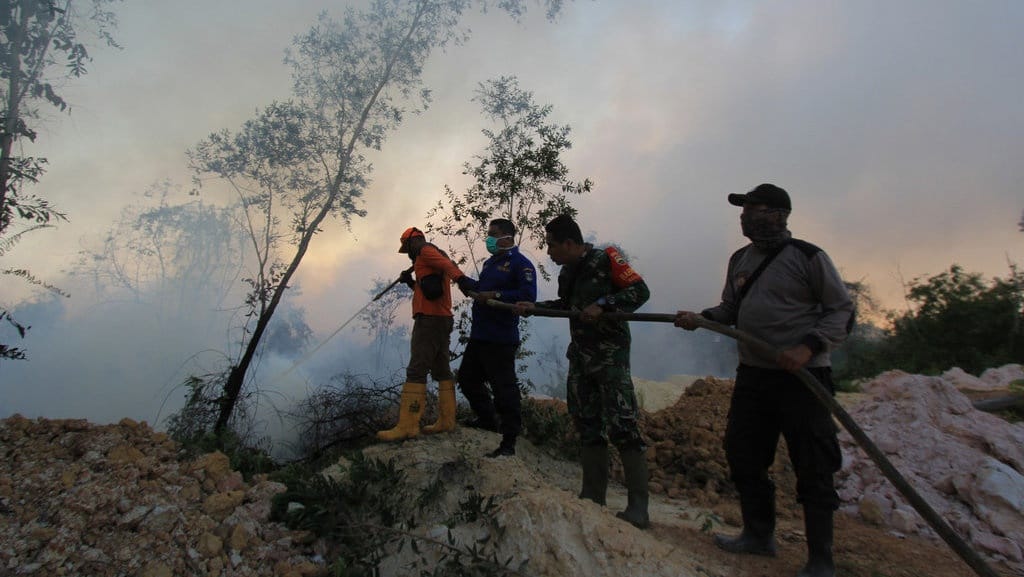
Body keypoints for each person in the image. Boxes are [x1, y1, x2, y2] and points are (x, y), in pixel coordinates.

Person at [674, 183, 854, 577]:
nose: (744, 217)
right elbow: (729, 309)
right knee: (743, 453)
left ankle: (821, 559)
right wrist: (701, 318)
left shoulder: (808, 256)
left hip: (803, 377)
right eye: (743, 210)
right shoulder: (740, 259)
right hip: (754, 375)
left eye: (753, 209)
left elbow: (841, 310)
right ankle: (758, 535)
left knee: (813, 464)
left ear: (778, 214)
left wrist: (807, 347)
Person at [514, 214, 652, 529]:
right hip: (581, 358)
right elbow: (567, 306)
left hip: (610, 358)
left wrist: (604, 304)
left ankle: (638, 509)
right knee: (588, 424)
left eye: (551, 245)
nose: (548, 251)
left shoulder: (607, 259)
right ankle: (592, 498)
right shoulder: (567, 272)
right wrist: (534, 308)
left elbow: (640, 292)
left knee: (623, 426)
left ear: (569, 243)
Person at [377, 226, 476, 442]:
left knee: (416, 370)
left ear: (414, 241)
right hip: (441, 318)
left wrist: (461, 280)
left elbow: (448, 266)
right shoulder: (430, 255)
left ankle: (407, 426)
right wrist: (410, 282)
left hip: (429, 321)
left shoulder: (425, 251)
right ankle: (447, 421)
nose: (408, 253)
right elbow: (429, 291)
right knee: (441, 369)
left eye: (407, 248)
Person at [456, 218, 537, 458]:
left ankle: (509, 441)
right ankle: (487, 420)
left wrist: (497, 295)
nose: (489, 239)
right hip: (480, 334)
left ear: (507, 237)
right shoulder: (490, 263)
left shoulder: (521, 265)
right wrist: (462, 280)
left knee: (504, 389)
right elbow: (482, 289)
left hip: (500, 338)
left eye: (493, 234)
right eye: (489, 234)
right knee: (468, 379)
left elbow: (527, 296)